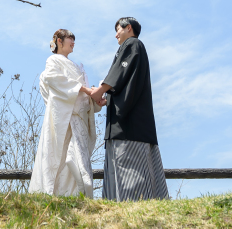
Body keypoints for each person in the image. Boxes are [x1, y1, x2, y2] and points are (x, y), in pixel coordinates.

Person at [89, 17, 169, 201]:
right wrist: (108, 99)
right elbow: (127, 84)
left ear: (129, 28)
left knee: (131, 168)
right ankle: (128, 205)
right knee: (133, 167)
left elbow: (119, 73)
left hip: (130, 126)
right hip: (133, 122)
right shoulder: (135, 49)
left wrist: (100, 91)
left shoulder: (133, 44)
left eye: (118, 29)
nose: (116, 34)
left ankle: (132, 204)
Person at [29, 29, 105, 196]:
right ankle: (59, 193)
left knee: (78, 157)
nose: (73, 42)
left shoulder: (76, 66)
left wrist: (95, 99)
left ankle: (76, 194)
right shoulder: (53, 61)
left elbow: (81, 92)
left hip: (79, 119)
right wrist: (85, 89)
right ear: (59, 41)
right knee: (65, 156)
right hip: (66, 118)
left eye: (73, 39)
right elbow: (55, 79)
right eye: (70, 38)